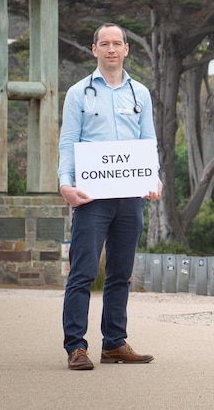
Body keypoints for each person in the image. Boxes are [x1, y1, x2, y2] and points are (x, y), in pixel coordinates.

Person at [58, 23, 162, 370]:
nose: (111, 49)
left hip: (131, 195)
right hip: (91, 197)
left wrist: (154, 177)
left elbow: (149, 141)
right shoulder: (78, 93)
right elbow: (68, 141)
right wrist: (64, 183)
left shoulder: (140, 94)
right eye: (105, 44)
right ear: (94, 49)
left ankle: (115, 343)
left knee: (121, 273)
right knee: (83, 272)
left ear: (126, 50)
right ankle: (76, 346)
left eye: (117, 43)